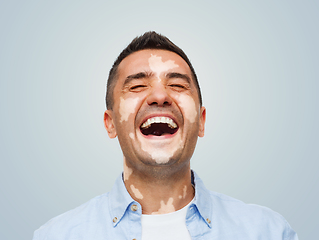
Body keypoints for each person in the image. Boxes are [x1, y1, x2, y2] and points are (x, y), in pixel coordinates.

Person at [33, 31, 299, 240]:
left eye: (177, 85)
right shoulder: (56, 236)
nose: (160, 96)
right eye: (137, 86)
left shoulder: (269, 233)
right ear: (110, 123)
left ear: (202, 121)